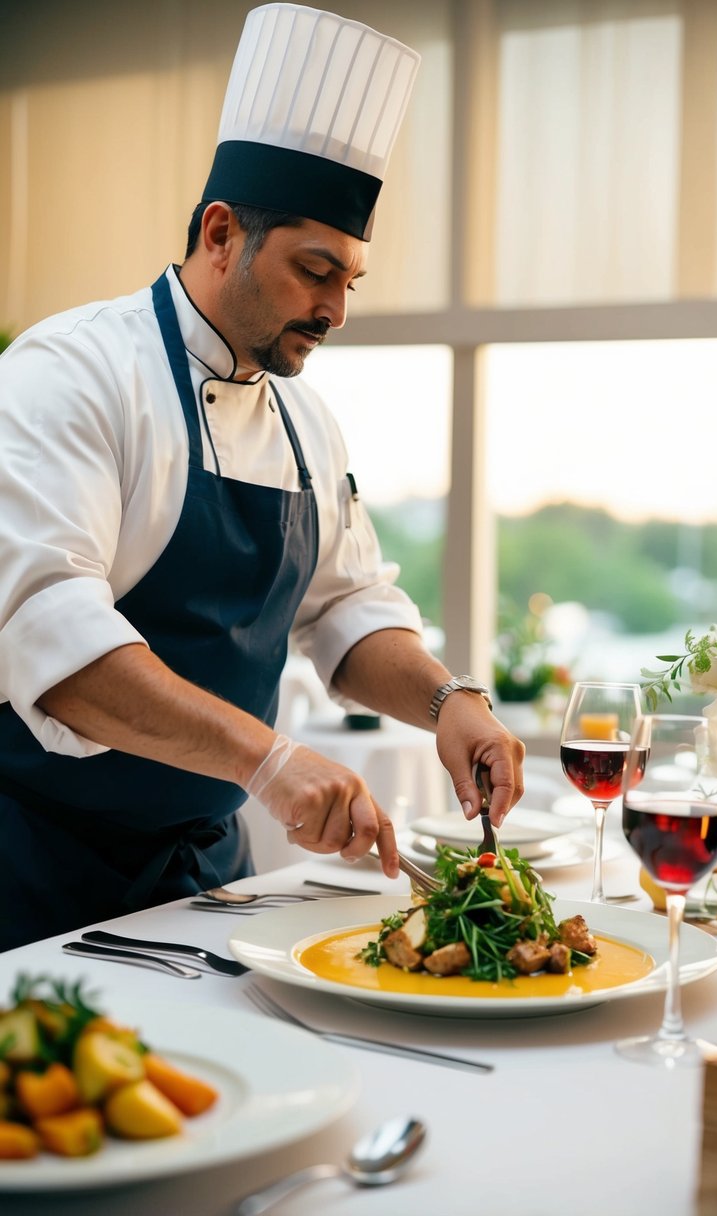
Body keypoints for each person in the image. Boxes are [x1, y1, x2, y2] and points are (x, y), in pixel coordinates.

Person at [0, 4, 524, 950]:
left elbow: (348, 610)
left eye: (349, 281)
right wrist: (269, 759)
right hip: (34, 870)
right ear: (219, 231)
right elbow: (52, 642)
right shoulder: (65, 374)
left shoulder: (303, 417)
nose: (334, 309)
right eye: (313, 270)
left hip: (206, 876)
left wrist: (451, 703)